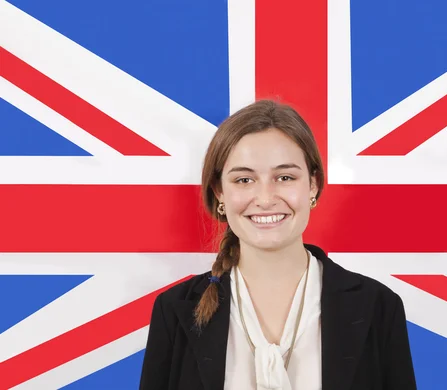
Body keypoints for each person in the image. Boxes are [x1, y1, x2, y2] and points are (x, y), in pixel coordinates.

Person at [139, 100, 416, 390]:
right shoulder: (173, 311)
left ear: (313, 185)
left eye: (285, 177)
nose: (266, 197)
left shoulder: (379, 307)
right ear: (219, 192)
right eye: (244, 179)